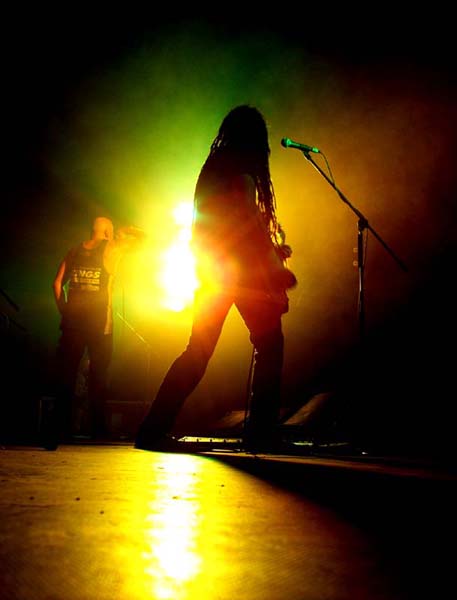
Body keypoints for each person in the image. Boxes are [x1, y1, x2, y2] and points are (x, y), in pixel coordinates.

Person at [135, 105, 297, 453]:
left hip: (213, 270)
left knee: (197, 352)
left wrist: (270, 252)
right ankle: (261, 432)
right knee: (270, 344)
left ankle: (151, 431)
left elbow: (227, 223)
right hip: (239, 275)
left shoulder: (213, 168)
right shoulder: (241, 172)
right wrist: (275, 268)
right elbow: (247, 223)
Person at [43, 216, 146, 450]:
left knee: (66, 375)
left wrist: (64, 311)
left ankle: (60, 428)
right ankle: (98, 429)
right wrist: (126, 231)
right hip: (100, 325)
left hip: (71, 323)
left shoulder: (73, 251)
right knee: (99, 377)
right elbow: (138, 240)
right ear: (108, 232)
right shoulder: (110, 249)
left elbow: (56, 284)